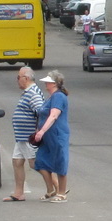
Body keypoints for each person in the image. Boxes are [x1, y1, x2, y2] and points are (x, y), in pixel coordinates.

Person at [1, 66, 44, 202]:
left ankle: (56, 184)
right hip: (22, 136)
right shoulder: (28, 92)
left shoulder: (33, 93)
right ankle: (19, 193)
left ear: (25, 78)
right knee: (17, 161)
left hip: (29, 136)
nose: (17, 80)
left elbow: (41, 112)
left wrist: (39, 131)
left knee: (34, 163)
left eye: (18, 77)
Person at [31, 71, 71, 202]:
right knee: (41, 162)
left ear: (54, 84)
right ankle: (51, 190)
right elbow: (42, 115)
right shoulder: (51, 97)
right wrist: (39, 131)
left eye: (47, 82)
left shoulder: (58, 97)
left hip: (57, 134)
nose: (45, 84)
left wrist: (42, 131)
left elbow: (54, 115)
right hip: (48, 136)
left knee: (60, 161)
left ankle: (62, 193)